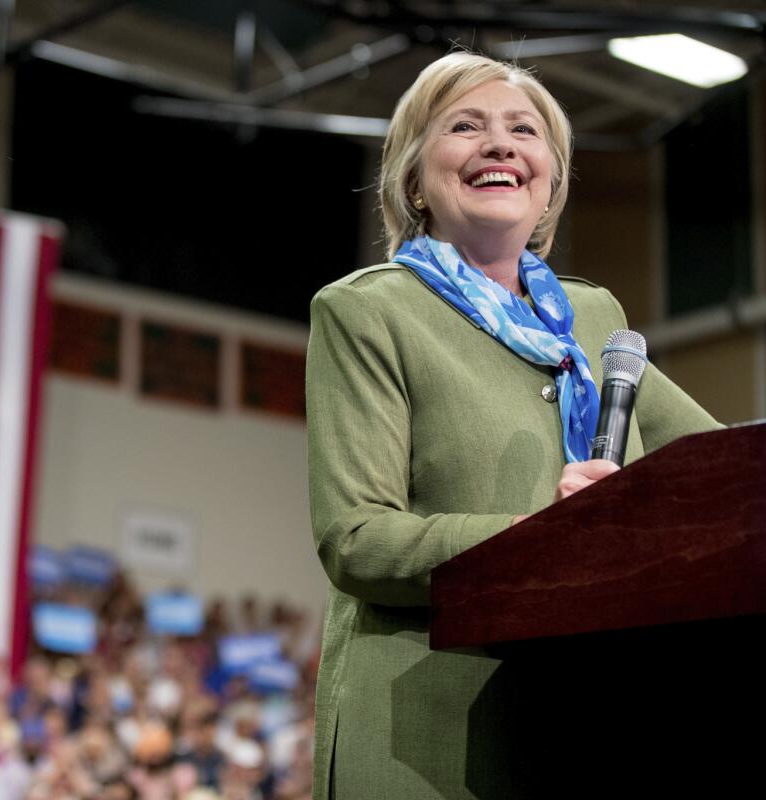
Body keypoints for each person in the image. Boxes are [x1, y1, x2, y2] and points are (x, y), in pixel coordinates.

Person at [305, 51, 719, 798]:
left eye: (525, 131)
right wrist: (549, 541)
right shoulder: (368, 311)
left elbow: (720, 473)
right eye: (465, 126)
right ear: (412, 177)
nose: (500, 145)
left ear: (550, 179)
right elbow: (357, 540)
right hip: (424, 726)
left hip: (582, 722)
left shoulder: (593, 318)